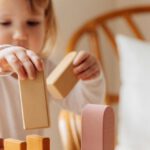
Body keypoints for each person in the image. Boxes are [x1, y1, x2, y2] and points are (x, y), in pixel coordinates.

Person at [0, 0, 105, 139]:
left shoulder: (45, 69)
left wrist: (91, 79)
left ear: (47, 26)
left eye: (32, 23)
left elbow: (86, 107)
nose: (20, 34)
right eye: (4, 23)